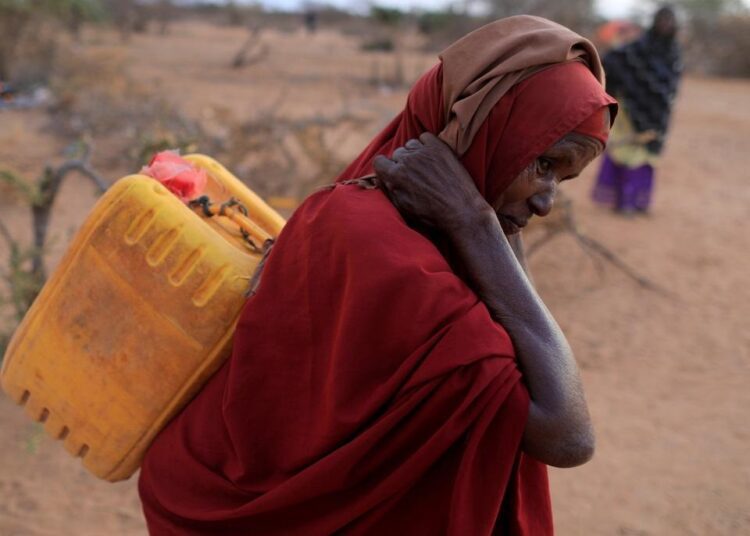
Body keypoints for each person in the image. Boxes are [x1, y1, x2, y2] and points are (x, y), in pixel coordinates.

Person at [139, 16, 617, 535]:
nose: (547, 202)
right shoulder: (387, 254)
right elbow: (568, 435)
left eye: (564, 179)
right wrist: (478, 225)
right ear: (483, 126)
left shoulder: (386, 219)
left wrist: (485, 219)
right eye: (545, 164)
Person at [591, 5, 682, 214]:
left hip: (658, 115)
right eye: (662, 20)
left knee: (647, 157)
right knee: (628, 153)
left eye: (669, 21)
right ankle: (622, 201)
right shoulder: (640, 47)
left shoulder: (674, 52)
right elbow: (616, 60)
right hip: (633, 110)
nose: (665, 25)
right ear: (655, 22)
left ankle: (640, 202)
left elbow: (671, 85)